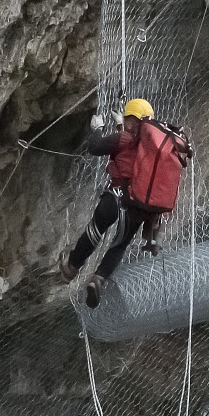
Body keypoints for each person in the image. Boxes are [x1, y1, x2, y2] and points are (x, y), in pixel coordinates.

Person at [62, 98, 193, 307]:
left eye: (126, 118)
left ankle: (71, 267)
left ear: (131, 120)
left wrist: (98, 128)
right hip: (138, 207)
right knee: (119, 244)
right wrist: (119, 126)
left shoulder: (124, 138)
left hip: (115, 197)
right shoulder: (155, 148)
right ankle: (98, 280)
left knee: (95, 231)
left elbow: (95, 147)